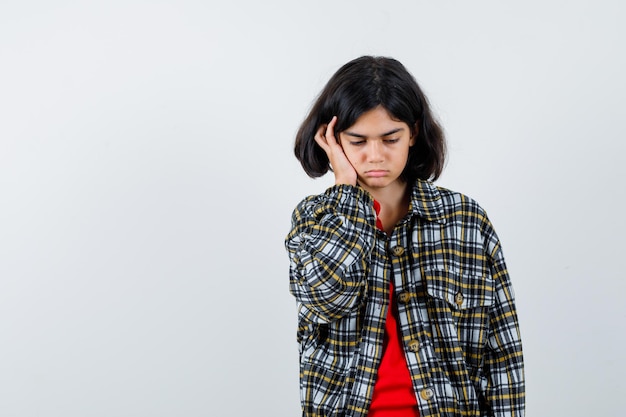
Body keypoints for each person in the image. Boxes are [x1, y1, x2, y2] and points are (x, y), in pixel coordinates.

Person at [285, 56, 524, 417]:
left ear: (412, 133)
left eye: (389, 138)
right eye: (358, 141)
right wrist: (346, 192)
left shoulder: (465, 220)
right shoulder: (315, 219)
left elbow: (502, 350)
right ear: (332, 140)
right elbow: (327, 297)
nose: (375, 155)